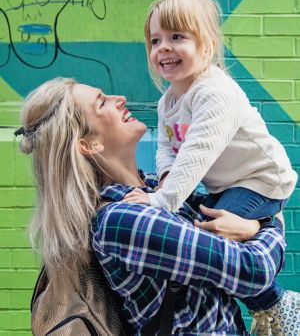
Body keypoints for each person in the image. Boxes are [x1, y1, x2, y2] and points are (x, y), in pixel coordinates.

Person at [15, 77, 289, 335]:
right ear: (89, 144)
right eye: (102, 103)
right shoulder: (121, 220)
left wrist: (252, 226)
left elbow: (225, 227)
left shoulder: (156, 187)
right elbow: (254, 271)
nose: (119, 98)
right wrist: (270, 221)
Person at [123, 0, 299, 335]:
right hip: (230, 184)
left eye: (177, 37)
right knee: (207, 231)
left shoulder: (214, 93)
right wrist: (166, 176)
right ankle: (266, 280)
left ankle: (278, 304)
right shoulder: (169, 100)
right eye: (155, 40)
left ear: (206, 44)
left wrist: (161, 200)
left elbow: (196, 155)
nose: (164, 48)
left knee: (211, 238)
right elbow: (167, 148)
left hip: (261, 181)